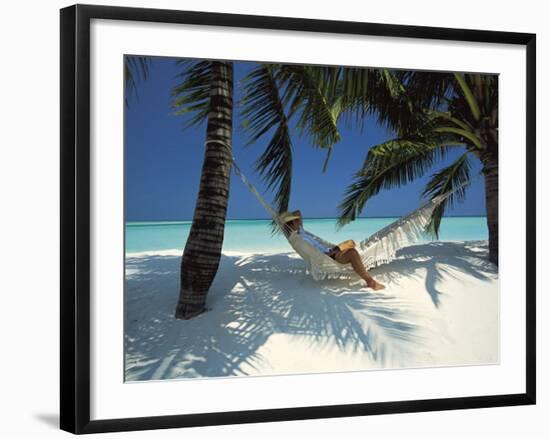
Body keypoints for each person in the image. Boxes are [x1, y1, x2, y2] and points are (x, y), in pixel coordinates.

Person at [280, 210, 386, 291]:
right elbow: (316, 255)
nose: (300, 220)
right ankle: (370, 282)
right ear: (294, 223)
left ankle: (360, 268)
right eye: (297, 220)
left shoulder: (300, 231)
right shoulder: (299, 239)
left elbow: (298, 212)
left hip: (330, 251)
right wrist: (332, 252)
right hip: (328, 256)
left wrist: (287, 218)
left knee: (351, 242)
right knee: (352, 253)